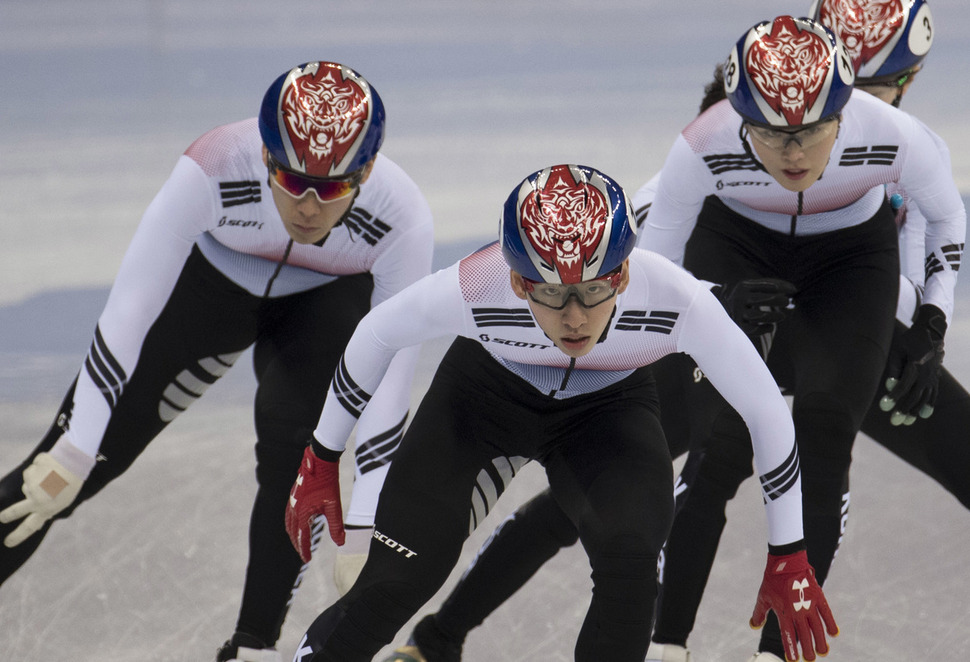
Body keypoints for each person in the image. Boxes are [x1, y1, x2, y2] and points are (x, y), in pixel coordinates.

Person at [391, 6, 968, 662]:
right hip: (729, 330)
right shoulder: (715, 157)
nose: (803, 141)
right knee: (586, 495)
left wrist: (926, 323)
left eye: (870, 90)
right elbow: (632, 257)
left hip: (841, 332)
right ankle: (442, 634)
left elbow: (919, 261)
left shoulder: (897, 143)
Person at [283, 163, 837, 662]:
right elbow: (375, 333)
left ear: (621, 275)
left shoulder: (675, 298)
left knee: (631, 562)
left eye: (594, 290)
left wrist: (788, 552)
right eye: (550, 294)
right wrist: (322, 455)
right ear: (520, 281)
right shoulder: (479, 285)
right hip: (482, 398)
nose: (575, 317)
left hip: (607, 411)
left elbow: (766, 411)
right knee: (397, 581)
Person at [0, 61, 434, 662]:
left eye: (331, 188)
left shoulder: (402, 216)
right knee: (59, 473)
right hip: (213, 286)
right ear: (262, 154)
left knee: (298, 455)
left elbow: (392, 377)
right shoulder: (211, 166)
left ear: (364, 174)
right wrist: (73, 449)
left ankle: (253, 647)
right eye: (289, 177)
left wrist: (363, 520)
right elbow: (129, 310)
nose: (307, 206)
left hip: (325, 301)